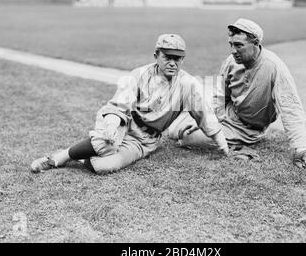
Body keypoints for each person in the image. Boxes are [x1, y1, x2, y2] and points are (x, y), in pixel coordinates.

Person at [30, 33, 229, 174]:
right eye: (167, 57)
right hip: (125, 124)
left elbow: (204, 114)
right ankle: (60, 157)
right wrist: (112, 126)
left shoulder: (188, 83)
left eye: (178, 59)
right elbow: (119, 105)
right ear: (156, 56)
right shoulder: (139, 74)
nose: (172, 63)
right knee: (105, 143)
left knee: (105, 166)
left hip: (145, 140)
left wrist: (220, 141)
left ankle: (81, 157)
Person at [168, 19, 306, 169]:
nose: (233, 51)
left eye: (239, 45)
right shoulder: (231, 62)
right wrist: (212, 121)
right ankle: (209, 132)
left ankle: (239, 147)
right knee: (174, 132)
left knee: (187, 138)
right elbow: (220, 97)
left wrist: (300, 149)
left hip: (248, 129)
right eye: (231, 45)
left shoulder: (274, 67)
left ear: (256, 43)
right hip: (228, 116)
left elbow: (291, 108)